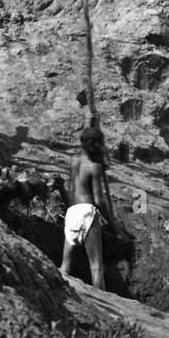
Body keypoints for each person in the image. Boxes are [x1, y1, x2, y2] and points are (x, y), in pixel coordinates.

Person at [61, 124, 130, 290]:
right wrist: (116, 228)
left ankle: (60, 292)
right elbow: (99, 200)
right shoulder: (94, 167)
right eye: (100, 144)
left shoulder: (74, 160)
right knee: (96, 266)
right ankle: (104, 300)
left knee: (65, 266)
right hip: (87, 213)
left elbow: (72, 189)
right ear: (94, 144)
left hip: (72, 212)